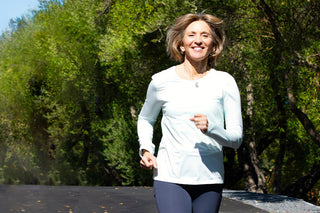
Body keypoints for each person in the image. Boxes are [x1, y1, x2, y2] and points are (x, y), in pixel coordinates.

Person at [137, 13, 243, 213]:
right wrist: (146, 149)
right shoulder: (161, 81)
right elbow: (145, 118)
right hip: (170, 176)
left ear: (213, 45)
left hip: (210, 178)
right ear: (181, 44)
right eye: (192, 35)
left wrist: (211, 128)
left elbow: (236, 139)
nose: (198, 40)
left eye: (205, 35)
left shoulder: (225, 82)